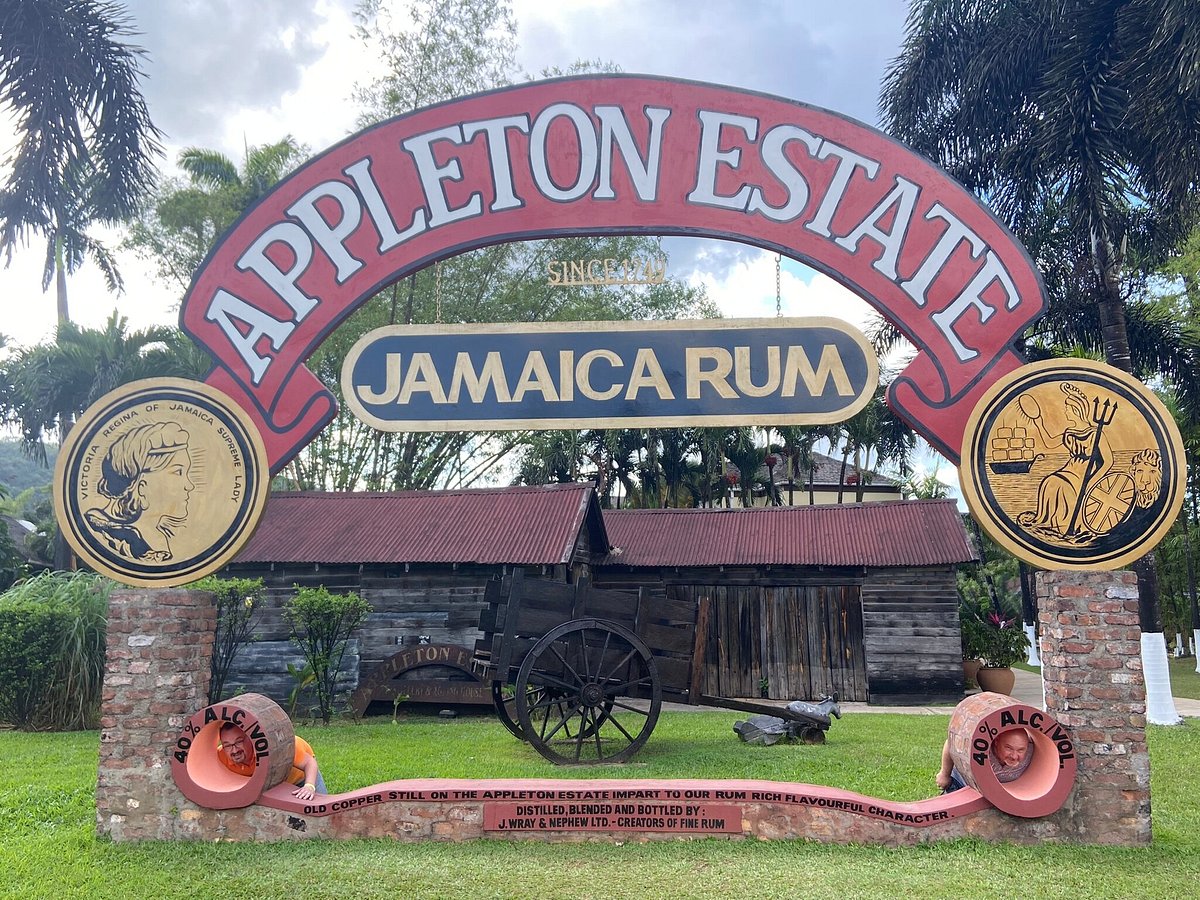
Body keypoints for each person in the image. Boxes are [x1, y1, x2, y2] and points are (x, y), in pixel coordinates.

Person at [84, 421, 196, 561]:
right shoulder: (105, 532)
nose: (189, 485)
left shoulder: (157, 537)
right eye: (178, 472)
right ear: (141, 486)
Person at [1016, 382, 1112, 541]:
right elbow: (1049, 443)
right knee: (1049, 482)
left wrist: (1092, 480)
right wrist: (1038, 421)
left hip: (1084, 475)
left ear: (1076, 410)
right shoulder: (1070, 433)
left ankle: (1066, 525)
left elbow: (1108, 461)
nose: (1065, 411)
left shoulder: (1096, 434)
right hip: (1070, 469)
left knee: (1062, 486)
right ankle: (1052, 524)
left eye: (1067, 408)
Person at [217, 722, 326, 801]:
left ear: (250, 738)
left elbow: (309, 763)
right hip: (273, 786)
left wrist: (309, 786)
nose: (234, 750)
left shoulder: (279, 746)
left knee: (320, 809)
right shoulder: (219, 755)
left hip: (301, 778)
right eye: (227, 745)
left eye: (239, 742)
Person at [937, 728, 1032, 793]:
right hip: (963, 783)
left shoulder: (1033, 751)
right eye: (1008, 748)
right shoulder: (981, 747)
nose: (1014, 756)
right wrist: (944, 774)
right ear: (996, 742)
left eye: (1021, 750)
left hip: (998, 794)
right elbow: (951, 742)